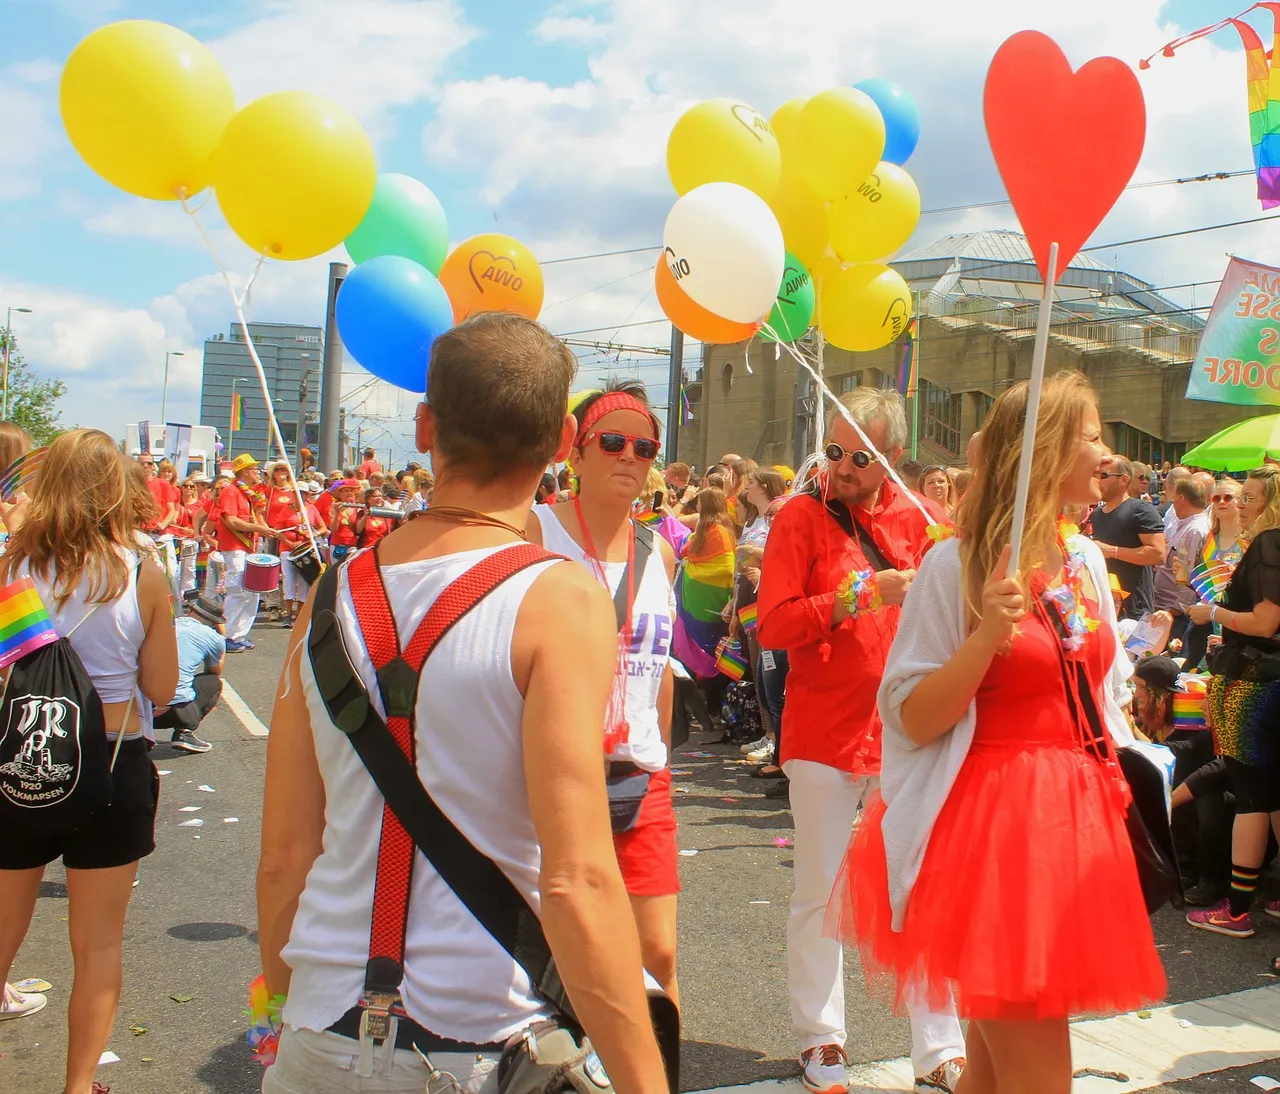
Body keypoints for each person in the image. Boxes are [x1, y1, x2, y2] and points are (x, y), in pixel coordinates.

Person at [256, 312, 668, 1094]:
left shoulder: (327, 598)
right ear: (559, 443)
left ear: (424, 427)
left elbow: (283, 858)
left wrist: (277, 1006)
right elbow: (577, 880)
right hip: (480, 1041)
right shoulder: (558, 599)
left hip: (319, 1033)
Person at [830, 371, 1164, 1094]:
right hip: (994, 839)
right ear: (1044, 449)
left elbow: (1099, 692)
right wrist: (984, 637)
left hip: (1077, 825)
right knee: (1040, 1073)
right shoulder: (955, 563)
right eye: (1093, 435)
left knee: (992, 1066)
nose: (1106, 452)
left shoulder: (1084, 561)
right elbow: (911, 715)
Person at [756, 387, 964, 1094]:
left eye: (859, 456)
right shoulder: (799, 516)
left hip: (907, 731)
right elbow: (774, 627)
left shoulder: (925, 519)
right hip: (824, 731)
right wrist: (858, 595)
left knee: (921, 886)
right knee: (819, 890)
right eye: (834, 450)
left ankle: (938, 1044)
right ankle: (822, 1039)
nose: (841, 467)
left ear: (893, 457)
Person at [0, 428, 179, 1094]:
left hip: (25, 753)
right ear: (117, 491)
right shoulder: (142, 574)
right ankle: (79, 1086)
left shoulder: (14, 568)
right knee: (98, 943)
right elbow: (162, 689)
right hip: (110, 761)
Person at [527, 380, 681, 1006]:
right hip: (554, 774)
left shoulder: (660, 551)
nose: (628, 457)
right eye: (612, 441)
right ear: (577, 452)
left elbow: (663, 669)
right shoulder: (532, 534)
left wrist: (658, 753)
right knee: (553, 948)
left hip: (640, 775)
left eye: (643, 448)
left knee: (657, 952)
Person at [1185, 465, 1280, 938]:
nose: (1238, 505)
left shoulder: (1268, 545)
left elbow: (1264, 622)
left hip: (1254, 681)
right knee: (1274, 793)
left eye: (1249, 498)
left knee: (1252, 797)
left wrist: (1215, 613)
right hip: (1267, 680)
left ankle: (1237, 910)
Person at [210, 453, 274, 652]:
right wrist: (261, 529)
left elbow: (254, 519)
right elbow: (231, 521)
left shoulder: (248, 494)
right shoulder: (230, 491)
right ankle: (226, 635)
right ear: (245, 472)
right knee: (237, 590)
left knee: (253, 591)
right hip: (234, 547)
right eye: (254, 469)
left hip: (248, 548)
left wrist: (266, 529)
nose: (258, 472)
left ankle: (239, 634)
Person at [1090, 455, 1166, 621]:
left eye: (1103, 476)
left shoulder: (1141, 510)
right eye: (1095, 475)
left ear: (1123, 480)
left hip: (1134, 609)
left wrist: (1112, 551)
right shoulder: (1095, 515)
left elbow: (1158, 554)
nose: (1098, 481)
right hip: (1105, 606)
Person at [153, 594, 227, 753]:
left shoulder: (167, 624)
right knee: (213, 682)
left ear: (191, 609)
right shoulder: (214, 638)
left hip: (140, 709)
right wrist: (222, 640)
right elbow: (215, 671)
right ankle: (184, 732)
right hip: (176, 711)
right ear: (215, 622)